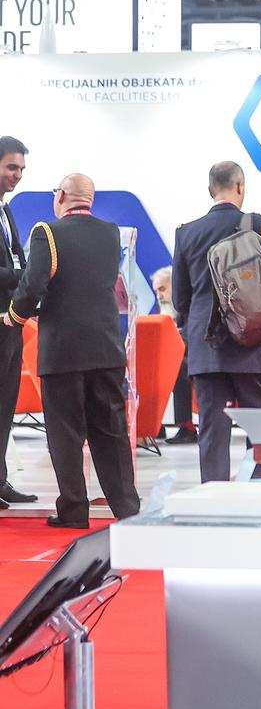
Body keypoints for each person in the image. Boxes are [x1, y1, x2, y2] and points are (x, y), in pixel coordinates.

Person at [2, 174, 139, 528]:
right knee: (111, 431)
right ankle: (127, 507)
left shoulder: (47, 233)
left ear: (61, 195)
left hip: (63, 350)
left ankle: (74, 510)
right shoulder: (111, 233)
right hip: (106, 348)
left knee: (66, 433)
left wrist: (14, 316)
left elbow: (33, 284)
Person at [171, 161, 261, 483]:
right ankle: (256, 489)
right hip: (254, 342)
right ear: (240, 186)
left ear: (210, 190)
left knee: (213, 429)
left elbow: (180, 300)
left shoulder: (186, 232)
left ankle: (213, 493)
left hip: (207, 347)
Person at [0, 136, 37, 507]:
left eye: (22, 169)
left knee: (5, 406)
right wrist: (23, 276)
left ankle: (0, 480)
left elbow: (16, 259)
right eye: (12, 167)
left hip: (10, 323)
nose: (18, 175)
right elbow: (13, 268)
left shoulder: (6, 210)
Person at [151, 266, 197, 445]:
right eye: (156, 291)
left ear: (175, 286)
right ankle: (155, 425)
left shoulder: (191, 305)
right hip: (172, 354)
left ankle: (187, 427)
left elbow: (190, 337)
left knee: (179, 368)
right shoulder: (165, 308)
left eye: (162, 289)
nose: (159, 296)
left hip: (195, 354)